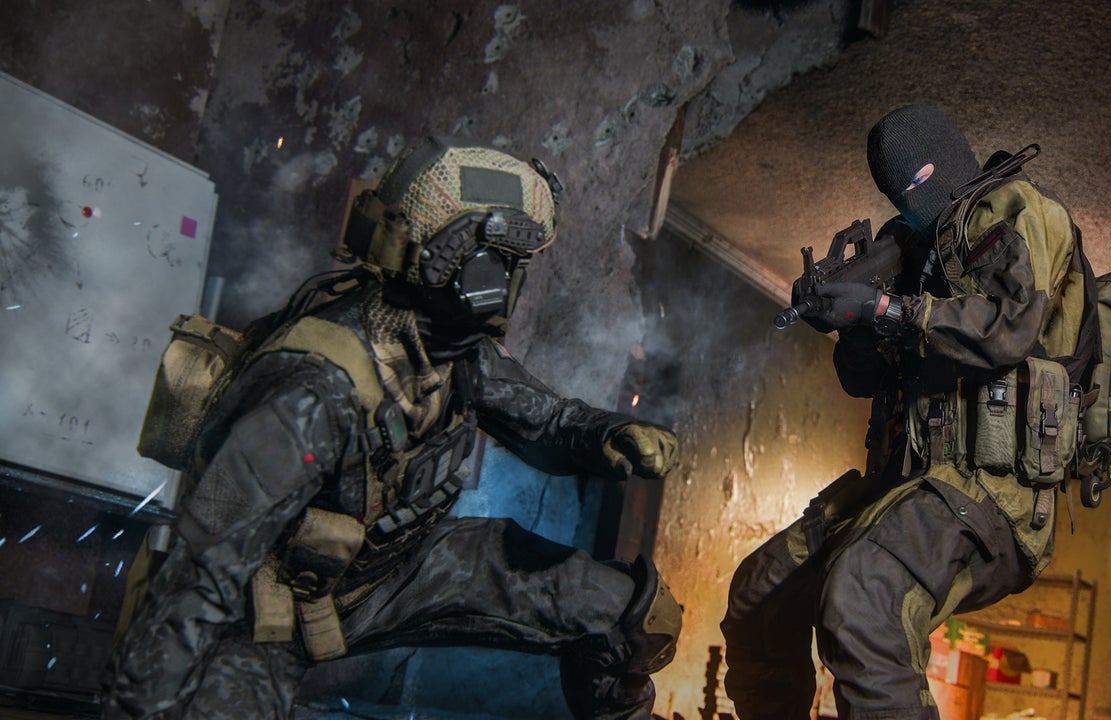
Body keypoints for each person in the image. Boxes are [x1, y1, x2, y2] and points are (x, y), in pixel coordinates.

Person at [103, 138, 683, 720]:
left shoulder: (454, 351)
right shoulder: (316, 390)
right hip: (270, 610)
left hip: (402, 569)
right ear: (451, 260)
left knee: (634, 617)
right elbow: (200, 577)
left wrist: (608, 435)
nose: (511, 282)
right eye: (505, 262)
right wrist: (142, 703)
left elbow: (547, 420)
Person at [721, 104, 1097, 719]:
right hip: (910, 487)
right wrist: (850, 320)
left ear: (944, 162)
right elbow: (860, 379)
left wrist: (885, 308)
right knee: (759, 594)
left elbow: (1008, 331)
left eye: (918, 181)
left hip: (993, 498)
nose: (909, 200)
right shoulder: (914, 250)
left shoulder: (1018, 209)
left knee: (862, 598)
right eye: (897, 193)